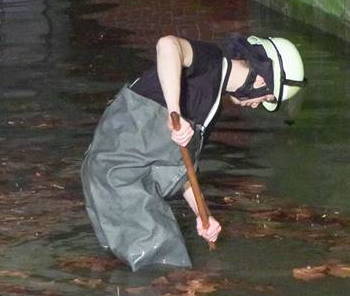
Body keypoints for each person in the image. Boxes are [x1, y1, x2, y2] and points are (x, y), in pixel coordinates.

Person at [80, 34, 307, 271]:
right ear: (262, 80)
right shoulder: (211, 61)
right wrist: (174, 112)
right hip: (120, 182)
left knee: (134, 272)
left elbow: (181, 171)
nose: (258, 104)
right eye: (267, 98)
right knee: (167, 277)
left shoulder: (211, 107)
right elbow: (167, 45)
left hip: (117, 184)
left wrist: (203, 216)